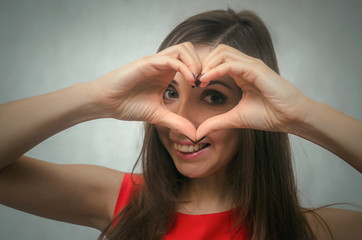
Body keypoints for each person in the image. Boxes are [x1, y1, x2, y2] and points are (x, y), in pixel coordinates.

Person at [0, 9, 361, 240]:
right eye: (170, 92)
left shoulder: (315, 231)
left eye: (214, 97)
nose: (181, 123)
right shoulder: (120, 200)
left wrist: (300, 112)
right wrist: (95, 96)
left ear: (253, 106)